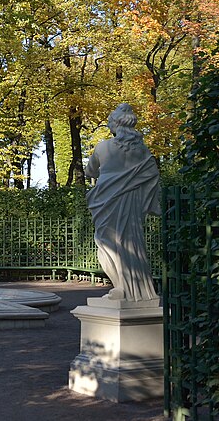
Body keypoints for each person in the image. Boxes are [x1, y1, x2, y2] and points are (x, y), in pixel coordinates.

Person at [85, 103, 161, 302]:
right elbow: (152, 174)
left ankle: (120, 287)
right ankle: (138, 290)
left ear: (115, 124)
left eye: (110, 123)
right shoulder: (142, 150)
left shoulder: (103, 147)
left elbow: (89, 171)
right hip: (132, 203)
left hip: (107, 203)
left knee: (105, 243)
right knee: (132, 243)